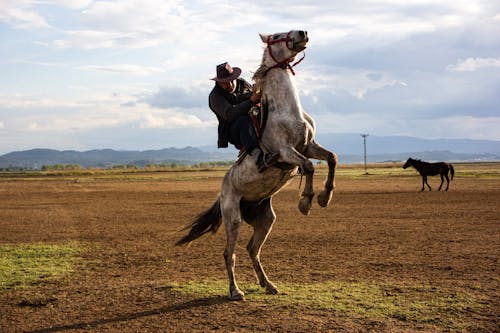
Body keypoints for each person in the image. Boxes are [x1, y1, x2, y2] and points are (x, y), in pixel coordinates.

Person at [209, 62, 278, 172]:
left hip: (254, 119)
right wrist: (251, 100)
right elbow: (230, 115)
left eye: (231, 80)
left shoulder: (242, 83)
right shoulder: (215, 97)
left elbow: (253, 94)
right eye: (225, 83)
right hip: (233, 131)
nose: (230, 85)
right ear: (219, 83)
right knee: (243, 121)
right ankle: (258, 157)